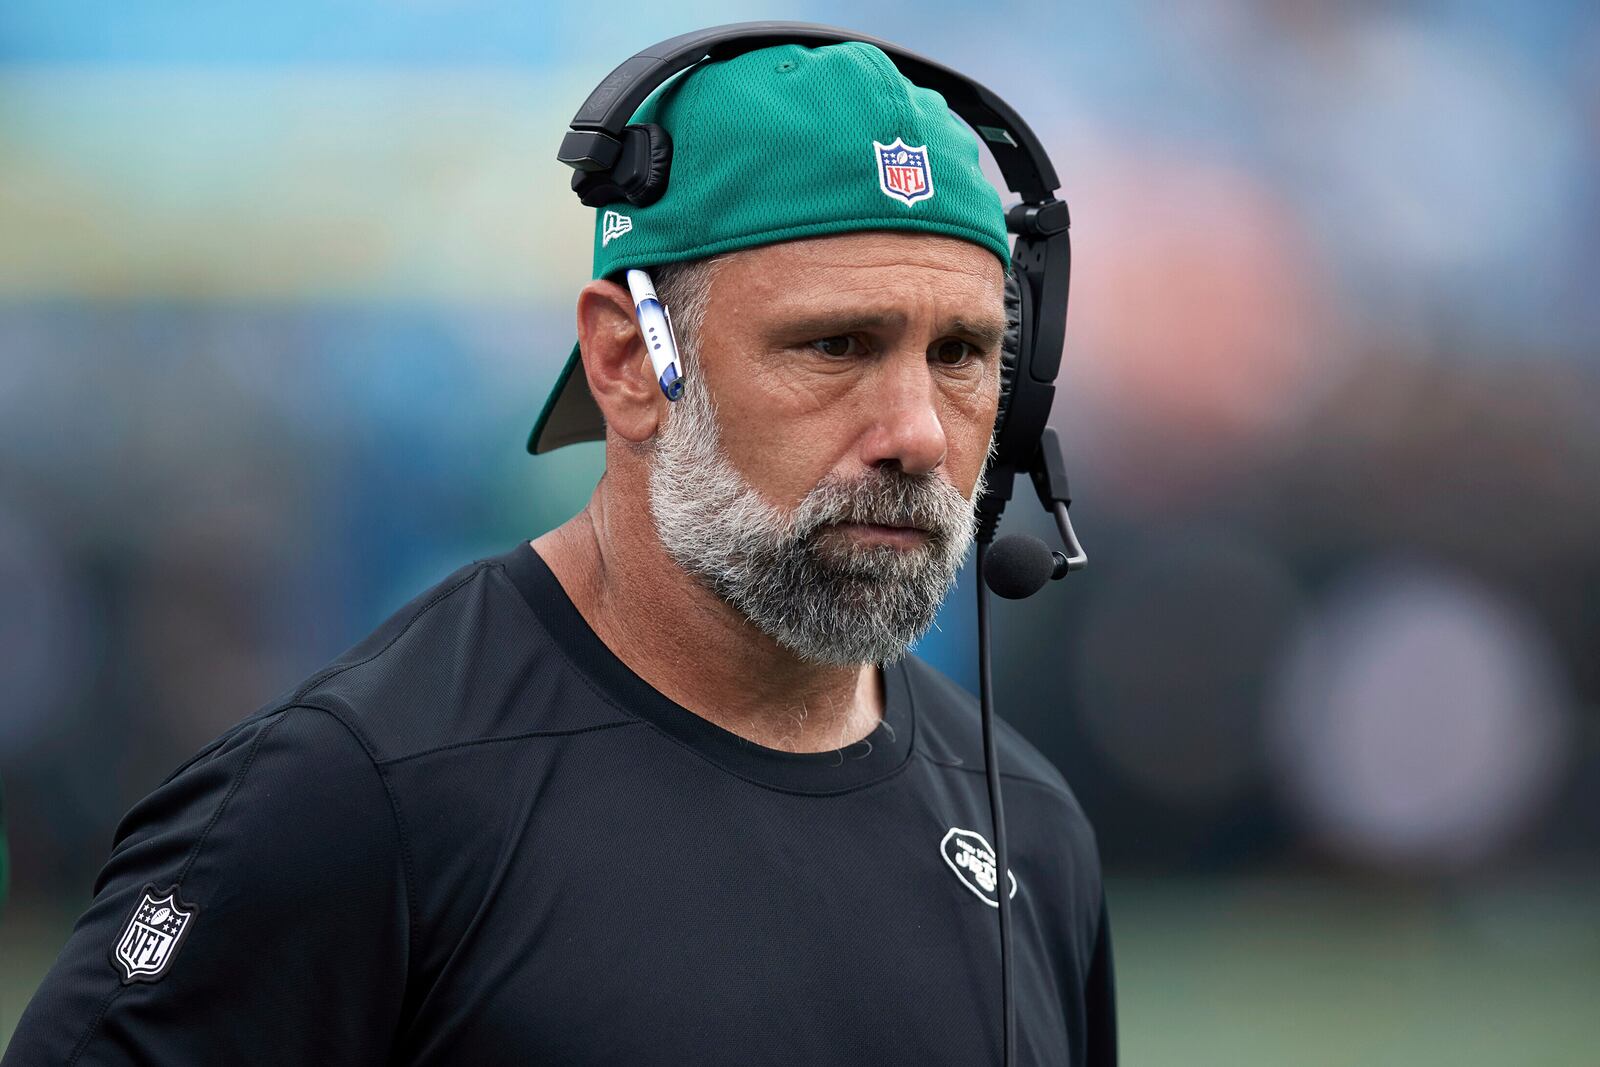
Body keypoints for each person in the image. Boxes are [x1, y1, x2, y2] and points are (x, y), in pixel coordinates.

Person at [4, 39, 1114, 1066]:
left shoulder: (1028, 822)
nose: (917, 431)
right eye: (834, 343)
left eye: (962, 352)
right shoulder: (350, 796)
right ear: (629, 361)